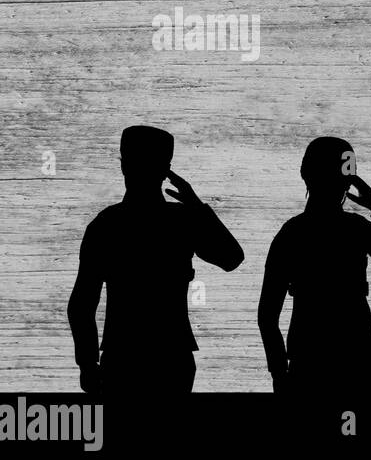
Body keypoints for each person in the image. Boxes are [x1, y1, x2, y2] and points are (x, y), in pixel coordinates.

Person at [68, 125, 245, 395]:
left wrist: (87, 363)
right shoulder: (181, 221)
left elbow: (81, 304)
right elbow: (231, 257)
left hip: (124, 357)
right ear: (166, 169)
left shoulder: (106, 225)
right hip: (172, 356)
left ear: (123, 165)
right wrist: (197, 208)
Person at [258, 137, 371, 397]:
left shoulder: (292, 234)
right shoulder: (356, 229)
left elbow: (267, 316)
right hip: (355, 354)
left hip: (309, 355)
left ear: (305, 174)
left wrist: (279, 374)